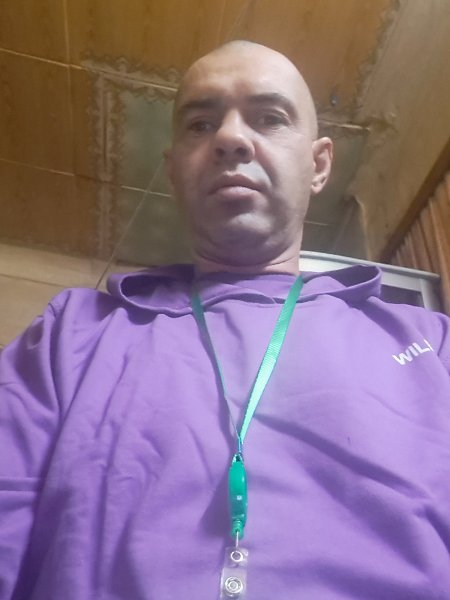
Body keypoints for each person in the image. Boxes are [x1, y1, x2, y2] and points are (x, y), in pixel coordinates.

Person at [0, 40, 450, 600]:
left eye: (269, 118)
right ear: (173, 170)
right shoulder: (70, 334)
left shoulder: (432, 344)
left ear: (318, 165)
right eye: (200, 124)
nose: (231, 138)